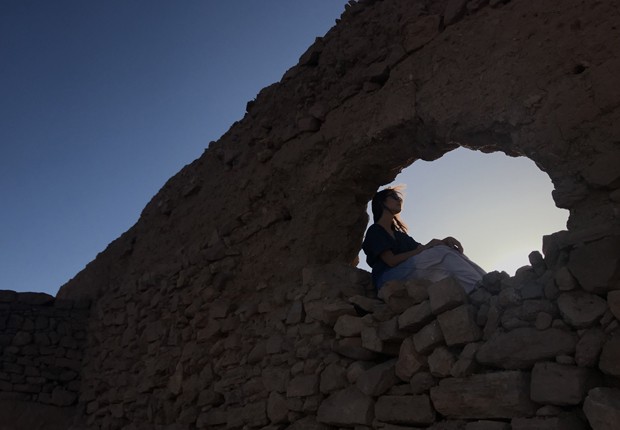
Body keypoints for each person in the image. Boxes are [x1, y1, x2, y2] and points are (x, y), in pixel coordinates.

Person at [362, 187, 486, 295]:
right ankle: (477, 290)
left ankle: (487, 283)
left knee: (447, 250)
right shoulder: (375, 231)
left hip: (405, 270)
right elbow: (392, 261)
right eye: (394, 196)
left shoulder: (400, 236)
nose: (399, 200)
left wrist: (444, 241)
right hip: (387, 277)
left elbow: (424, 249)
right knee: (441, 254)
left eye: (399, 197)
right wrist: (426, 248)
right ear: (381, 202)